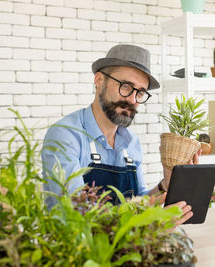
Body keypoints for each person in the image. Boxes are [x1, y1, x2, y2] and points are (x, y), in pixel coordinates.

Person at [42, 44, 200, 225]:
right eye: (126, 87)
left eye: (140, 92)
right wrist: (150, 223)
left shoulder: (131, 142)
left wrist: (165, 185)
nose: (132, 100)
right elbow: (77, 214)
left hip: (123, 250)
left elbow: (139, 201)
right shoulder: (65, 135)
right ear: (99, 80)